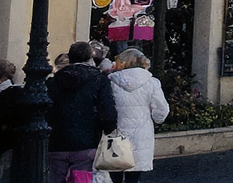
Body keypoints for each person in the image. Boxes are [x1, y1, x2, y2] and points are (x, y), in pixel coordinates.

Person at [47, 42, 117, 183]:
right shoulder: (98, 79)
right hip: (86, 141)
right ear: (89, 57)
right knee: (81, 179)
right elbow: (107, 112)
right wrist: (108, 130)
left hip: (56, 141)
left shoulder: (53, 81)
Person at [103, 48, 169, 183]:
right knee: (133, 175)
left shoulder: (111, 82)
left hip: (116, 132)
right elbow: (161, 109)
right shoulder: (151, 82)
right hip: (141, 134)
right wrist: (157, 119)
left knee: (114, 174)